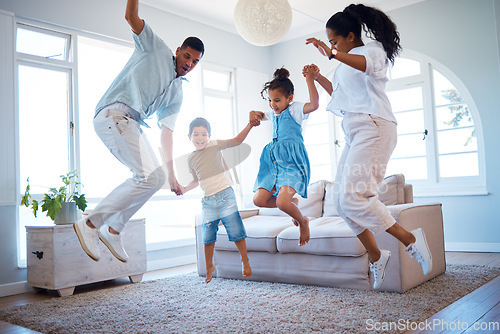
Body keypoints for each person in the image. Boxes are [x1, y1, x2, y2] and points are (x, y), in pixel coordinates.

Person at [305, 4, 432, 289]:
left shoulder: (372, 51)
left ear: (351, 36)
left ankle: (411, 239)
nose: (332, 46)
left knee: (355, 197)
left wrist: (332, 53)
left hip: (374, 127)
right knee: (341, 202)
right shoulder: (343, 63)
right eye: (331, 43)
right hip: (354, 130)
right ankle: (377, 257)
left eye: (335, 40)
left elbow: (364, 67)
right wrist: (317, 76)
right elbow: (340, 95)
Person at [73, 0, 204, 263]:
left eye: (195, 61)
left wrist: (173, 177)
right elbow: (130, 15)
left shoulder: (177, 92)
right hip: (114, 114)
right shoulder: (155, 48)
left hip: (130, 122)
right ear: (178, 51)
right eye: (187, 56)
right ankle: (89, 224)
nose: (189, 63)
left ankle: (114, 229)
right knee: (146, 176)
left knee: (155, 179)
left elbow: (166, 134)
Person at [180, 117, 255, 283]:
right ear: (189, 137)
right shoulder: (190, 159)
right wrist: (184, 189)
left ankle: (244, 259)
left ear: (209, 135)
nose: (200, 138)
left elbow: (236, 140)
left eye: (204, 134)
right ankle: (209, 266)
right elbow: (196, 180)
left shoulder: (214, 145)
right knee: (207, 235)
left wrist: (249, 124)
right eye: (196, 134)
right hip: (208, 201)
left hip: (225, 195)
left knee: (235, 230)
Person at [250, 67, 319, 247]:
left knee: (281, 202)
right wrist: (253, 113)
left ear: (290, 98)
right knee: (259, 200)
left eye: (277, 100)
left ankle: (303, 221)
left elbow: (314, 105)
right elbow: (261, 115)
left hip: (292, 164)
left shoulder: (295, 110)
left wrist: (310, 79)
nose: (273, 105)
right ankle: (292, 203)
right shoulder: (274, 113)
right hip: (273, 163)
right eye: (270, 101)